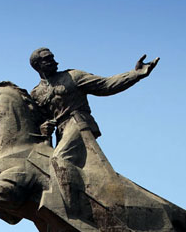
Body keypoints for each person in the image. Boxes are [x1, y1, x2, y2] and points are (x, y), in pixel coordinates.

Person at [29, 47, 159, 210]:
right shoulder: (36, 93)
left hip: (78, 123)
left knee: (59, 159)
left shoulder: (72, 76)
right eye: (48, 59)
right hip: (60, 134)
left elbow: (106, 85)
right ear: (37, 65)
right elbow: (39, 121)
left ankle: (68, 209)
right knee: (51, 168)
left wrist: (135, 74)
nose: (55, 62)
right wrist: (43, 127)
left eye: (53, 58)